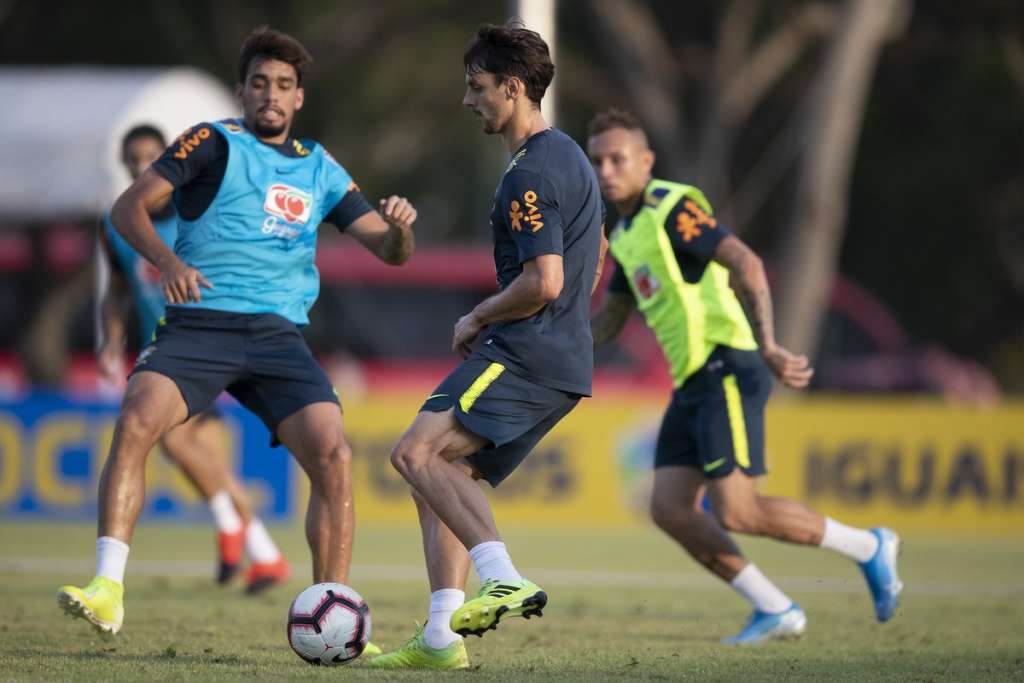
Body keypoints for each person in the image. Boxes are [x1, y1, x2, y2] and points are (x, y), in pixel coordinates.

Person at [57, 26, 417, 638]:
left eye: (283, 85)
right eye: (259, 83)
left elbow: (389, 250)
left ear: (299, 97)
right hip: (200, 326)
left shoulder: (320, 168)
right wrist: (169, 263)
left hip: (279, 336)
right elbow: (128, 209)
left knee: (333, 453)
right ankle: (108, 586)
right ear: (241, 92)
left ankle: (331, 614)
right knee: (138, 420)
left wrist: (401, 228)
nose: (270, 95)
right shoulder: (211, 142)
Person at [586, 108, 902, 644]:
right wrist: (544, 337)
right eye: (597, 160)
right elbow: (612, 319)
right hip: (692, 380)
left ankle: (869, 546)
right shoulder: (622, 229)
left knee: (738, 509)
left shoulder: (671, 207)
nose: (606, 170)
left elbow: (745, 262)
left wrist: (771, 344)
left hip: (725, 363)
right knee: (668, 508)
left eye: (618, 159)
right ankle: (775, 607)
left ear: (646, 161)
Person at [369, 21, 605, 671]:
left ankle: (503, 577)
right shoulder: (570, 157)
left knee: (413, 452)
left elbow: (545, 280)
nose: (468, 100)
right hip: (559, 357)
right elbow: (597, 253)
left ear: (514, 87)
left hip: (526, 348)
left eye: (477, 87)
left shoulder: (527, 174)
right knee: (443, 476)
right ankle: (443, 635)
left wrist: (480, 313)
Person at [95, 123, 288, 592]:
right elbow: (117, 289)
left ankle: (247, 540)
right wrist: (111, 339)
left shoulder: (193, 210)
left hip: (208, 341)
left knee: (178, 445)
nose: (143, 167)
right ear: (126, 166)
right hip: (161, 351)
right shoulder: (118, 224)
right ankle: (255, 548)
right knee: (195, 455)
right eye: (134, 160)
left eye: (150, 157)